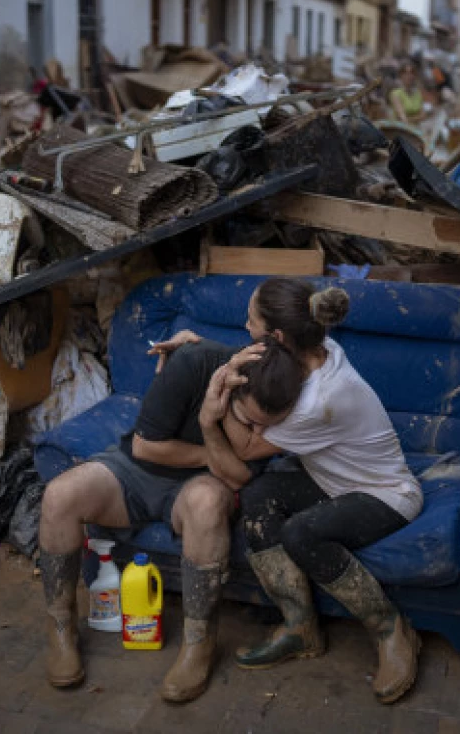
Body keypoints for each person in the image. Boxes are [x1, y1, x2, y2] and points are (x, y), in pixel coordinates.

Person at [150, 278, 424, 704]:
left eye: (250, 320)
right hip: (331, 481)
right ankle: (300, 628)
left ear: (275, 337)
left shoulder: (320, 398)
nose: (243, 326)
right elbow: (254, 363)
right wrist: (195, 348)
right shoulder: (314, 349)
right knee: (259, 497)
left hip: (384, 493)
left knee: (301, 533)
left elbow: (244, 449)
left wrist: (215, 401)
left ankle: (391, 630)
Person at [38, 336, 305, 703]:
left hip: (200, 486)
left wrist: (213, 428)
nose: (257, 437)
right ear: (229, 385)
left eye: (267, 429)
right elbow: (145, 447)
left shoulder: (285, 397)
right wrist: (214, 452)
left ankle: (199, 642)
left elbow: (238, 477)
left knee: (208, 502)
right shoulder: (193, 363)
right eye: (249, 422)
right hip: (136, 469)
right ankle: (60, 626)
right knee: (59, 496)